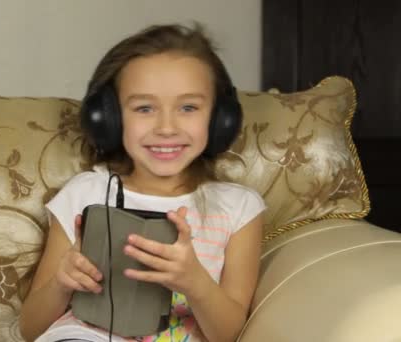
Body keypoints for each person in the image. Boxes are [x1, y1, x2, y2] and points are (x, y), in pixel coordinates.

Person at [19, 22, 266, 342]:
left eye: (188, 107)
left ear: (220, 119)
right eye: (144, 108)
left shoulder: (239, 208)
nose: (166, 127)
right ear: (109, 118)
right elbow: (30, 329)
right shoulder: (86, 193)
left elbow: (230, 334)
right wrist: (61, 283)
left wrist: (194, 281)